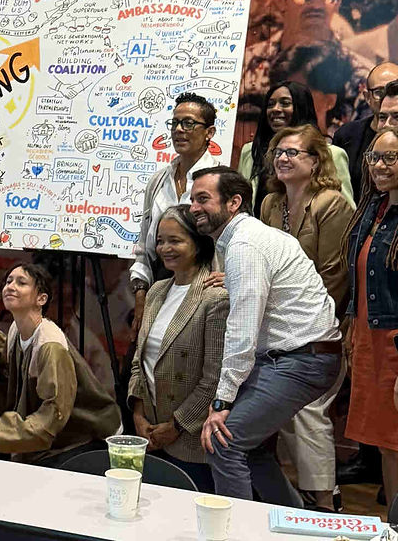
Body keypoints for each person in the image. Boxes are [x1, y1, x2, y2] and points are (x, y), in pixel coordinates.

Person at [190, 167, 342, 506]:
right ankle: (290, 520)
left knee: (222, 442)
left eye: (203, 199)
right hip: (301, 355)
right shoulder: (251, 238)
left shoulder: (245, 246)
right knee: (249, 446)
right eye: (191, 200)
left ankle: (239, 532)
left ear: (234, 202)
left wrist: (222, 402)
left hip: (303, 359)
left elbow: (242, 331)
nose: (194, 208)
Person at [260, 125, 355, 511]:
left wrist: (299, 318)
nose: (282, 158)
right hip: (276, 326)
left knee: (306, 411)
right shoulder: (268, 204)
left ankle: (325, 501)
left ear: (315, 161)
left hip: (320, 326)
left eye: (293, 152)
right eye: (278, 152)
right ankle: (294, 499)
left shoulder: (332, 203)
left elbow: (335, 275)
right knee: (280, 413)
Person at [0, 263, 121, 467]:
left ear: (41, 299)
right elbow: (8, 355)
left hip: (85, 439)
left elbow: (52, 415)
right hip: (56, 435)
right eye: (8, 281)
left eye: (21, 282)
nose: (10, 286)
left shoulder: (50, 345)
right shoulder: (17, 329)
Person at [128, 205, 229, 492]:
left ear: (198, 244)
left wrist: (176, 425)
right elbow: (139, 361)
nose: (164, 248)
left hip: (190, 441)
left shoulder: (215, 298)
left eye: (175, 241)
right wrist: (138, 415)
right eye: (160, 241)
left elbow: (214, 379)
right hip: (149, 433)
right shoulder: (157, 291)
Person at [342, 125, 398, 508]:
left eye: (391, 157)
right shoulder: (375, 207)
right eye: (374, 157)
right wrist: (353, 326)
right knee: (386, 447)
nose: (380, 166)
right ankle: (396, 527)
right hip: (371, 339)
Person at [130, 92, 221, 337]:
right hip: (159, 285)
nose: (179, 130)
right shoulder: (158, 181)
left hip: (201, 286)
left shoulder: (221, 181)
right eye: (175, 123)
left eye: (189, 123)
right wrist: (141, 293)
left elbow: (228, 243)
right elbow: (144, 245)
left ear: (209, 133)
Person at [238, 81, 353, 215]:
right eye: (270, 104)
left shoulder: (331, 154)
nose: (275, 109)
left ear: (301, 107)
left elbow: (346, 211)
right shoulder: (251, 151)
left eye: (285, 103)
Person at [333, 63, 398, 197]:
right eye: (380, 92)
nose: (387, 98)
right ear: (367, 97)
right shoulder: (346, 136)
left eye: (397, 90)